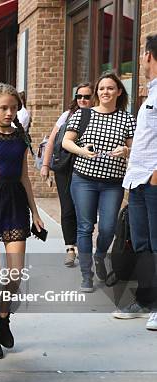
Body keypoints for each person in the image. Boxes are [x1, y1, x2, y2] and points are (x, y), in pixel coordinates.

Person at [0, 83, 45, 359]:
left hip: (14, 202)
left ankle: (3, 317)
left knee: (14, 274)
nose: (9, 112)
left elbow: (24, 174)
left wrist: (35, 212)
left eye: (13, 107)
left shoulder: (20, 136)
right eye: (3, 107)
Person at [62, 73, 135, 293]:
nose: (105, 92)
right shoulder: (82, 115)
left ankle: (100, 256)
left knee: (108, 227)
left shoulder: (127, 119)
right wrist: (82, 151)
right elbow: (67, 141)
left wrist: (126, 150)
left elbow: (135, 150)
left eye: (110, 88)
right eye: (102, 88)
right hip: (83, 180)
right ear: (97, 92)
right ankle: (86, 274)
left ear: (119, 92)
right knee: (85, 227)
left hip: (113, 183)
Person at [112, 34, 157, 330]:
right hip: (139, 180)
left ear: (151, 56)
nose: (140, 59)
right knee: (142, 243)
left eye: (142, 54)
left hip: (153, 180)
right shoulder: (151, 93)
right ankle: (146, 300)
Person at [40, 82, 93, 267]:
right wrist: (46, 165)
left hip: (88, 168)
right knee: (68, 207)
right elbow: (52, 140)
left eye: (87, 96)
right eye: (79, 96)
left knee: (85, 210)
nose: (83, 100)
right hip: (65, 168)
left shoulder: (98, 115)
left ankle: (82, 244)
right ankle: (70, 247)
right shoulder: (67, 115)